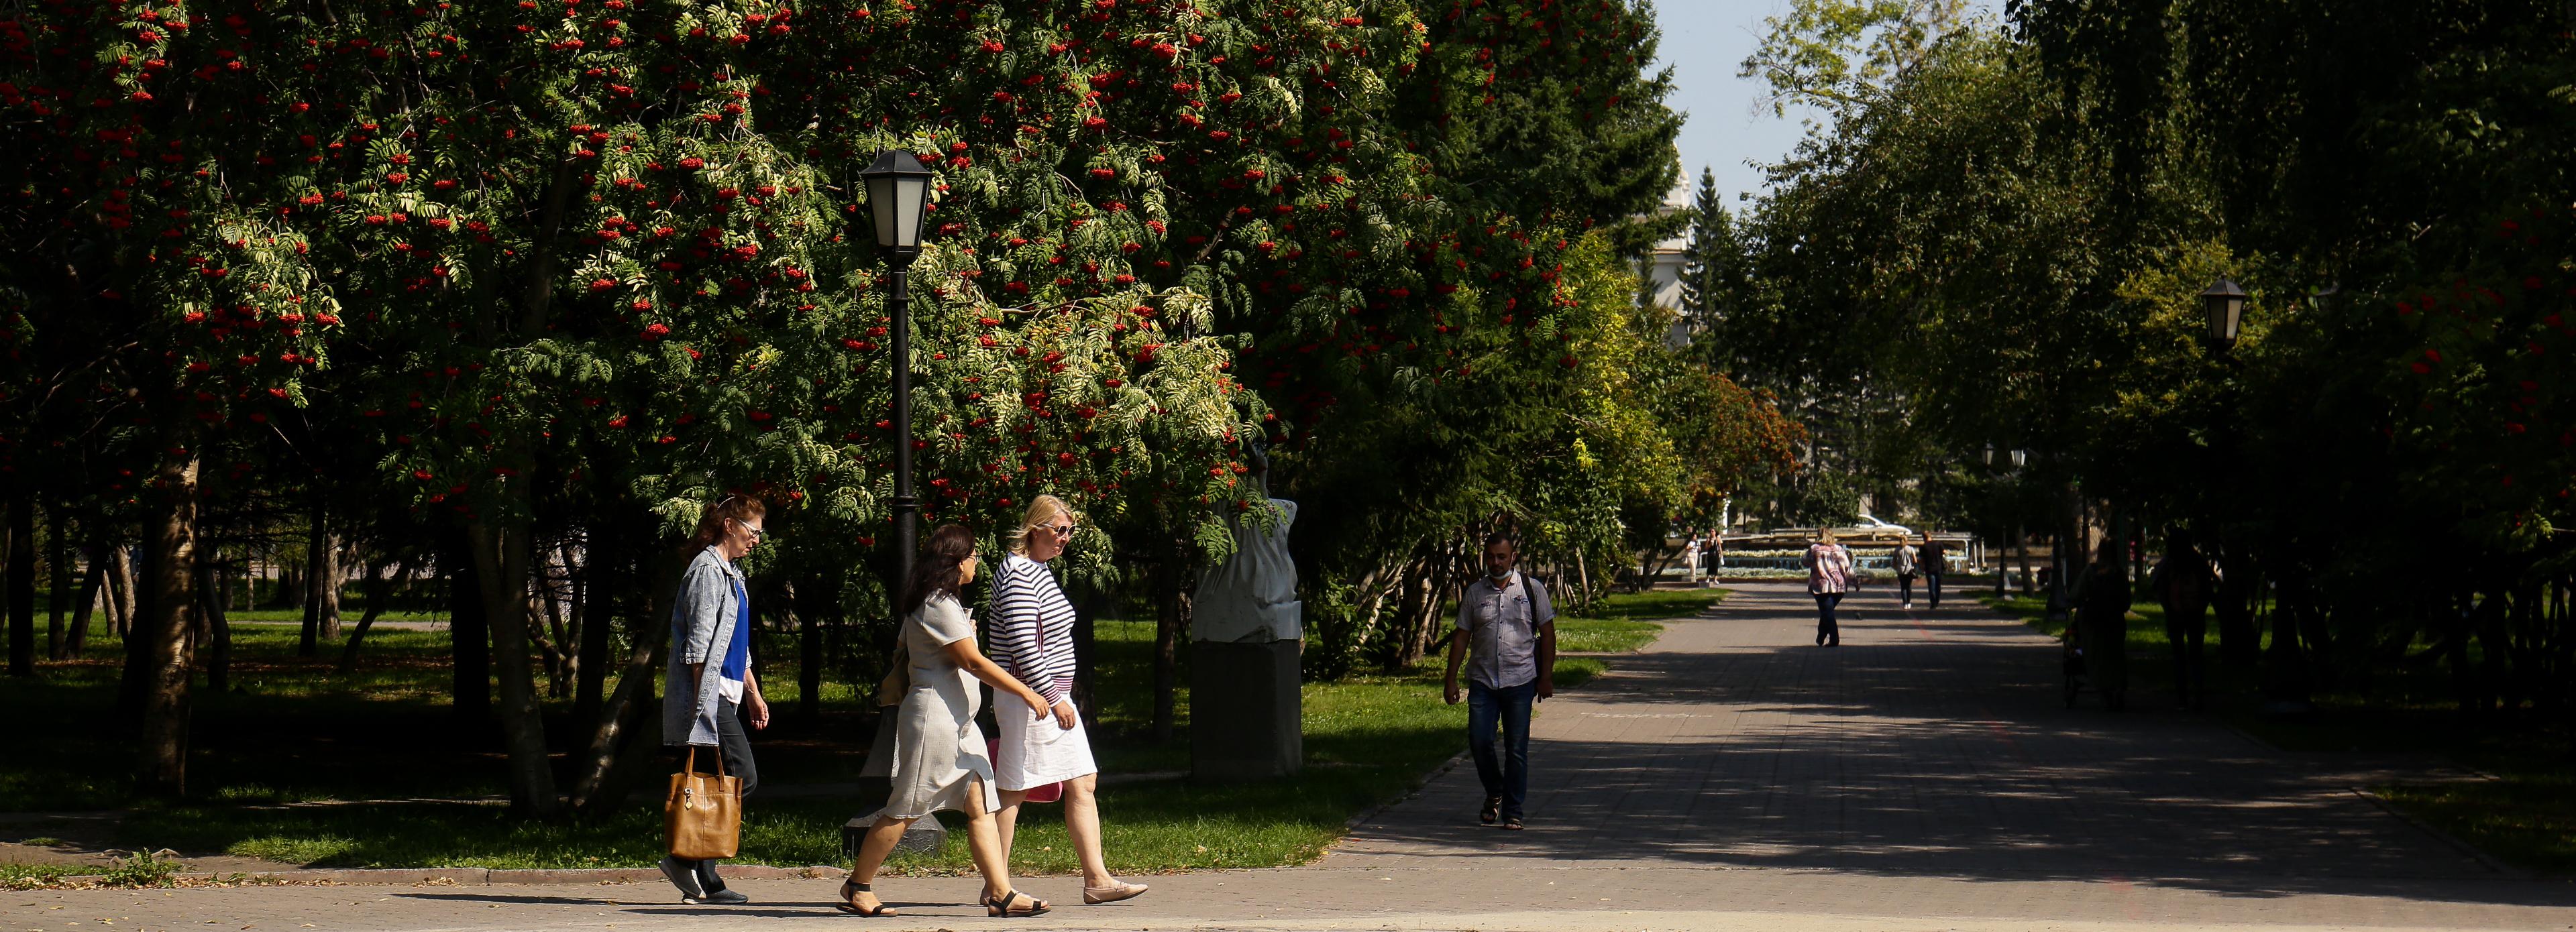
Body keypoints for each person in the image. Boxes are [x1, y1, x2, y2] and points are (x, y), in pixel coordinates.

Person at [842, 524, 1055, 919]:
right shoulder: (936, 602)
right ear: (957, 563)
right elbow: (972, 661)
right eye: (973, 556)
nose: (977, 563)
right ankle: (858, 884)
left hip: (959, 723)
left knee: (980, 804)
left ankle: (1000, 893)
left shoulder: (948, 602)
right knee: (905, 808)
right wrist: (1026, 691)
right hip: (934, 723)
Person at [990, 496, 1148, 905]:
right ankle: (996, 886)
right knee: (1014, 788)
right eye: (1060, 530)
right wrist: (1054, 695)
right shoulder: (1018, 573)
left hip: (1050, 697)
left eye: (1070, 531)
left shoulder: (1038, 571)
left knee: (1082, 780)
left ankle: (1096, 879)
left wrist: (1060, 695)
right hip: (1033, 699)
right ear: (1036, 528)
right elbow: (1025, 645)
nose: (1066, 538)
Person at [659, 495, 772, 905]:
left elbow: (736, 647)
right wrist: (701, 704)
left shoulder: (733, 574)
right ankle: (683, 860)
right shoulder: (707, 570)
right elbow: (700, 645)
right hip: (708, 695)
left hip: (727, 692)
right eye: (752, 531)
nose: (756, 540)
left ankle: (702, 878)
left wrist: (754, 694)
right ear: (730, 525)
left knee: (712, 784)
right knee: (742, 775)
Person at [1442, 534, 1556, 831]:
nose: (1495, 562)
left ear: (1513, 557)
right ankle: (1495, 790)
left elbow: (1548, 634)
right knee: (1479, 741)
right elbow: (1462, 637)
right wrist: (1450, 680)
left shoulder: (1532, 590)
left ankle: (1513, 811)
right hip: (1483, 681)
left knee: (1516, 749)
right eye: (1491, 556)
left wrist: (1545, 678)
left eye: (1501, 557)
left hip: (1520, 681)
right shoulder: (1475, 593)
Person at [2149, 530, 2213, 711]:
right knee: (2196, 654)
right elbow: (2208, 588)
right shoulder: (2197, 561)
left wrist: (2168, 608)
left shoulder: (2169, 563)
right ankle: (2198, 693)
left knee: (2178, 655)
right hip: (2195, 614)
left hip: (2175, 614)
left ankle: (2182, 696)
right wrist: (2201, 607)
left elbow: (2157, 584)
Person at [2074, 538, 2132, 711]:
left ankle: (2104, 690)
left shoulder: (2090, 572)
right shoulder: (2120, 574)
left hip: (2093, 622)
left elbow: (2076, 594)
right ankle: (2118, 687)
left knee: (2096, 655)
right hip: (2114, 621)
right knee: (2116, 655)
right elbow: (2126, 602)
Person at [1803, 529, 1854, 646]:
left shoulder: (1815, 548)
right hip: (1839, 586)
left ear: (1819, 536)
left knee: (1827, 612)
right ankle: (1820, 637)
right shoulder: (1839, 549)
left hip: (1822, 586)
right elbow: (1848, 567)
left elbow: (1805, 562)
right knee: (1826, 611)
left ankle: (1834, 639)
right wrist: (1855, 582)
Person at [1918, 536, 1948, 609]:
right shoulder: (1938, 543)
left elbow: (1921, 559)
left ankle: (1933, 603)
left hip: (1929, 569)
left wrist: (1922, 568)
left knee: (1931, 587)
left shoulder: (1923, 547)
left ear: (1924, 538)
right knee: (1938, 586)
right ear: (1930, 536)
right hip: (1939, 568)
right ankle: (1937, 601)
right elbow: (1944, 552)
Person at [1892, 536, 1920, 609]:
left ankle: (1905, 603)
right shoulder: (1910, 549)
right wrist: (1914, 567)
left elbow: (1894, 561)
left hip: (1900, 570)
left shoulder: (1897, 550)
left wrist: (1896, 568)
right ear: (1907, 541)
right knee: (1909, 586)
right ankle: (1909, 602)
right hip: (1909, 570)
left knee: (1903, 587)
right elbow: (1915, 559)